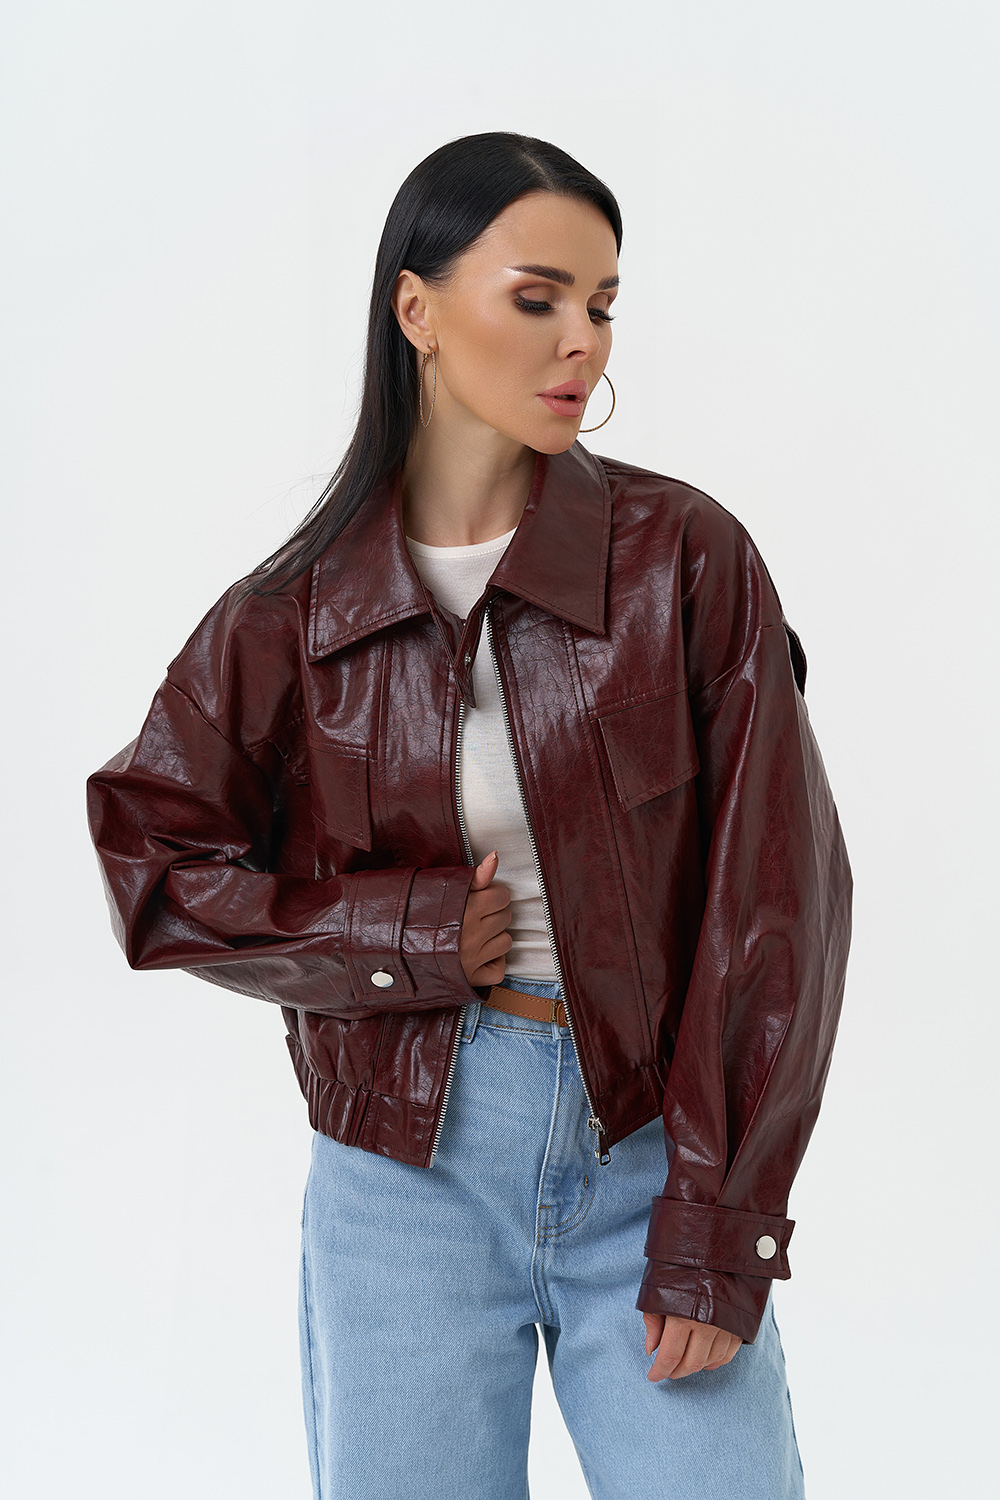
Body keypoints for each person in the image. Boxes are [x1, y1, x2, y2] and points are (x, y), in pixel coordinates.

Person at [86, 132, 852, 1499]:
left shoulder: (685, 561)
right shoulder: (293, 612)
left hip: (649, 1152)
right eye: (538, 297)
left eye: (602, 305)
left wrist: (720, 1222)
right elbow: (153, 861)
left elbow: (774, 900)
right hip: (403, 1174)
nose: (582, 343)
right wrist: (402, 935)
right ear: (417, 309)